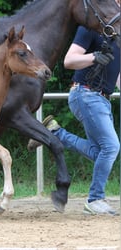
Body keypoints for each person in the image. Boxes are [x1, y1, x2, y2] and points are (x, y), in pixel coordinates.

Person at [28, 24, 120, 215]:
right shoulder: (91, 28)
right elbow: (69, 61)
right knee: (111, 147)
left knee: (100, 153)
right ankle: (95, 199)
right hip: (86, 94)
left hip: (101, 99)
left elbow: (117, 74)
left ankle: (54, 133)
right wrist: (94, 56)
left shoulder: (117, 36)